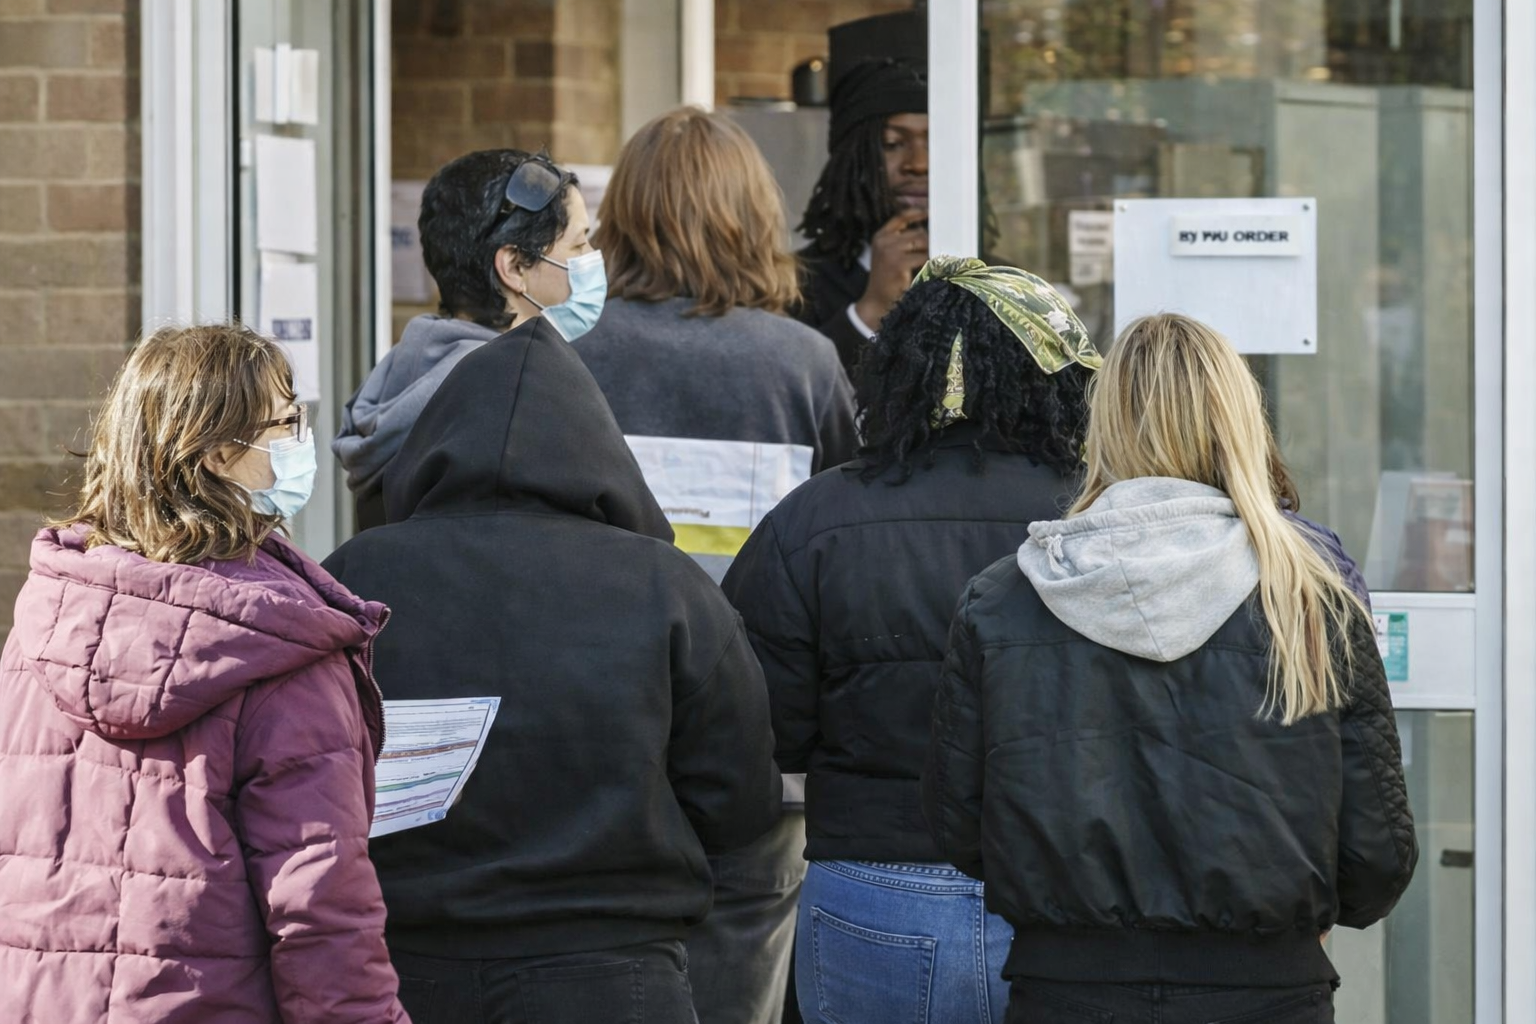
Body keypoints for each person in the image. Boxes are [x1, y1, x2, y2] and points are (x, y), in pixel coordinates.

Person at [924, 313, 1418, 1024]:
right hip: (1267, 987)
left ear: (1107, 424)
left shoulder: (1004, 599)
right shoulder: (1311, 598)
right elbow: (1377, 852)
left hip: (1068, 986)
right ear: (1240, 418)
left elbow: (959, 821)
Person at [322, 316, 784, 1024]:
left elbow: (307, 772)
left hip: (408, 966)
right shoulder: (668, 587)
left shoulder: (357, 577)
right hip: (616, 968)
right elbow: (740, 799)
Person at [722, 257, 1100, 1024]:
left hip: (872, 886)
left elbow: (764, 725)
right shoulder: (1102, 518)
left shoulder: (813, 521)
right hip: (1068, 888)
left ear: (897, 369)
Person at [0, 324, 408, 1023]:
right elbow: (320, 913)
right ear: (220, 453)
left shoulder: (46, 619)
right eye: (286, 421)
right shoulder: (284, 644)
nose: (300, 440)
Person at [572, 104, 855, 1024]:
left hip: (597, 722)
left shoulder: (565, 355)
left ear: (624, 217)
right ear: (752, 216)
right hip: (760, 739)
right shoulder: (805, 367)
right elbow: (840, 545)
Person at [335, 148, 600, 529]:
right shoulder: (516, 398)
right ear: (513, 267)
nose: (592, 257)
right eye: (578, 244)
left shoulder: (407, 369)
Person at [796, 10, 930, 373]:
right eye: (891, 143)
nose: (918, 163)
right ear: (852, 159)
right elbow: (791, 408)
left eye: (936, 141)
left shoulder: (1003, 281)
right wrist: (869, 311)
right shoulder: (794, 286)